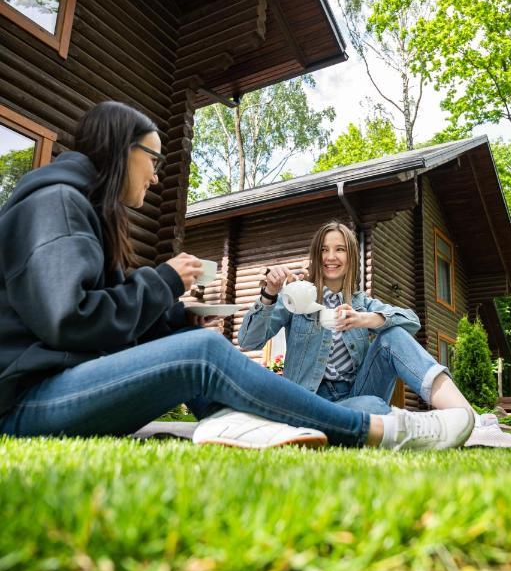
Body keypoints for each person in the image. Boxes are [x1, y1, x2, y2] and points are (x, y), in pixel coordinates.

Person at [0, 102, 472, 451]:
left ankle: (246, 424)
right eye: (154, 159)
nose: (158, 176)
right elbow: (71, 320)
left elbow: (88, 318)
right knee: (205, 353)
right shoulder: (57, 204)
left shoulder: (364, 300)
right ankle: (387, 431)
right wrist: (254, 295)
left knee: (209, 350)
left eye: (340, 252)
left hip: (52, 385)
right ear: (124, 151)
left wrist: (168, 318)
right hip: (23, 399)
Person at [238, 220, 479, 431]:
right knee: (374, 407)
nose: (331, 257)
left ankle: (470, 421)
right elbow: (248, 340)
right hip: (308, 401)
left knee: (391, 337)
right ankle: (387, 424)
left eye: (339, 249)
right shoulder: (297, 298)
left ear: (351, 257)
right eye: (324, 250)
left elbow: (412, 321)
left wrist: (366, 319)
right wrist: (269, 293)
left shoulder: (362, 303)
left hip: (355, 397)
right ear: (315, 256)